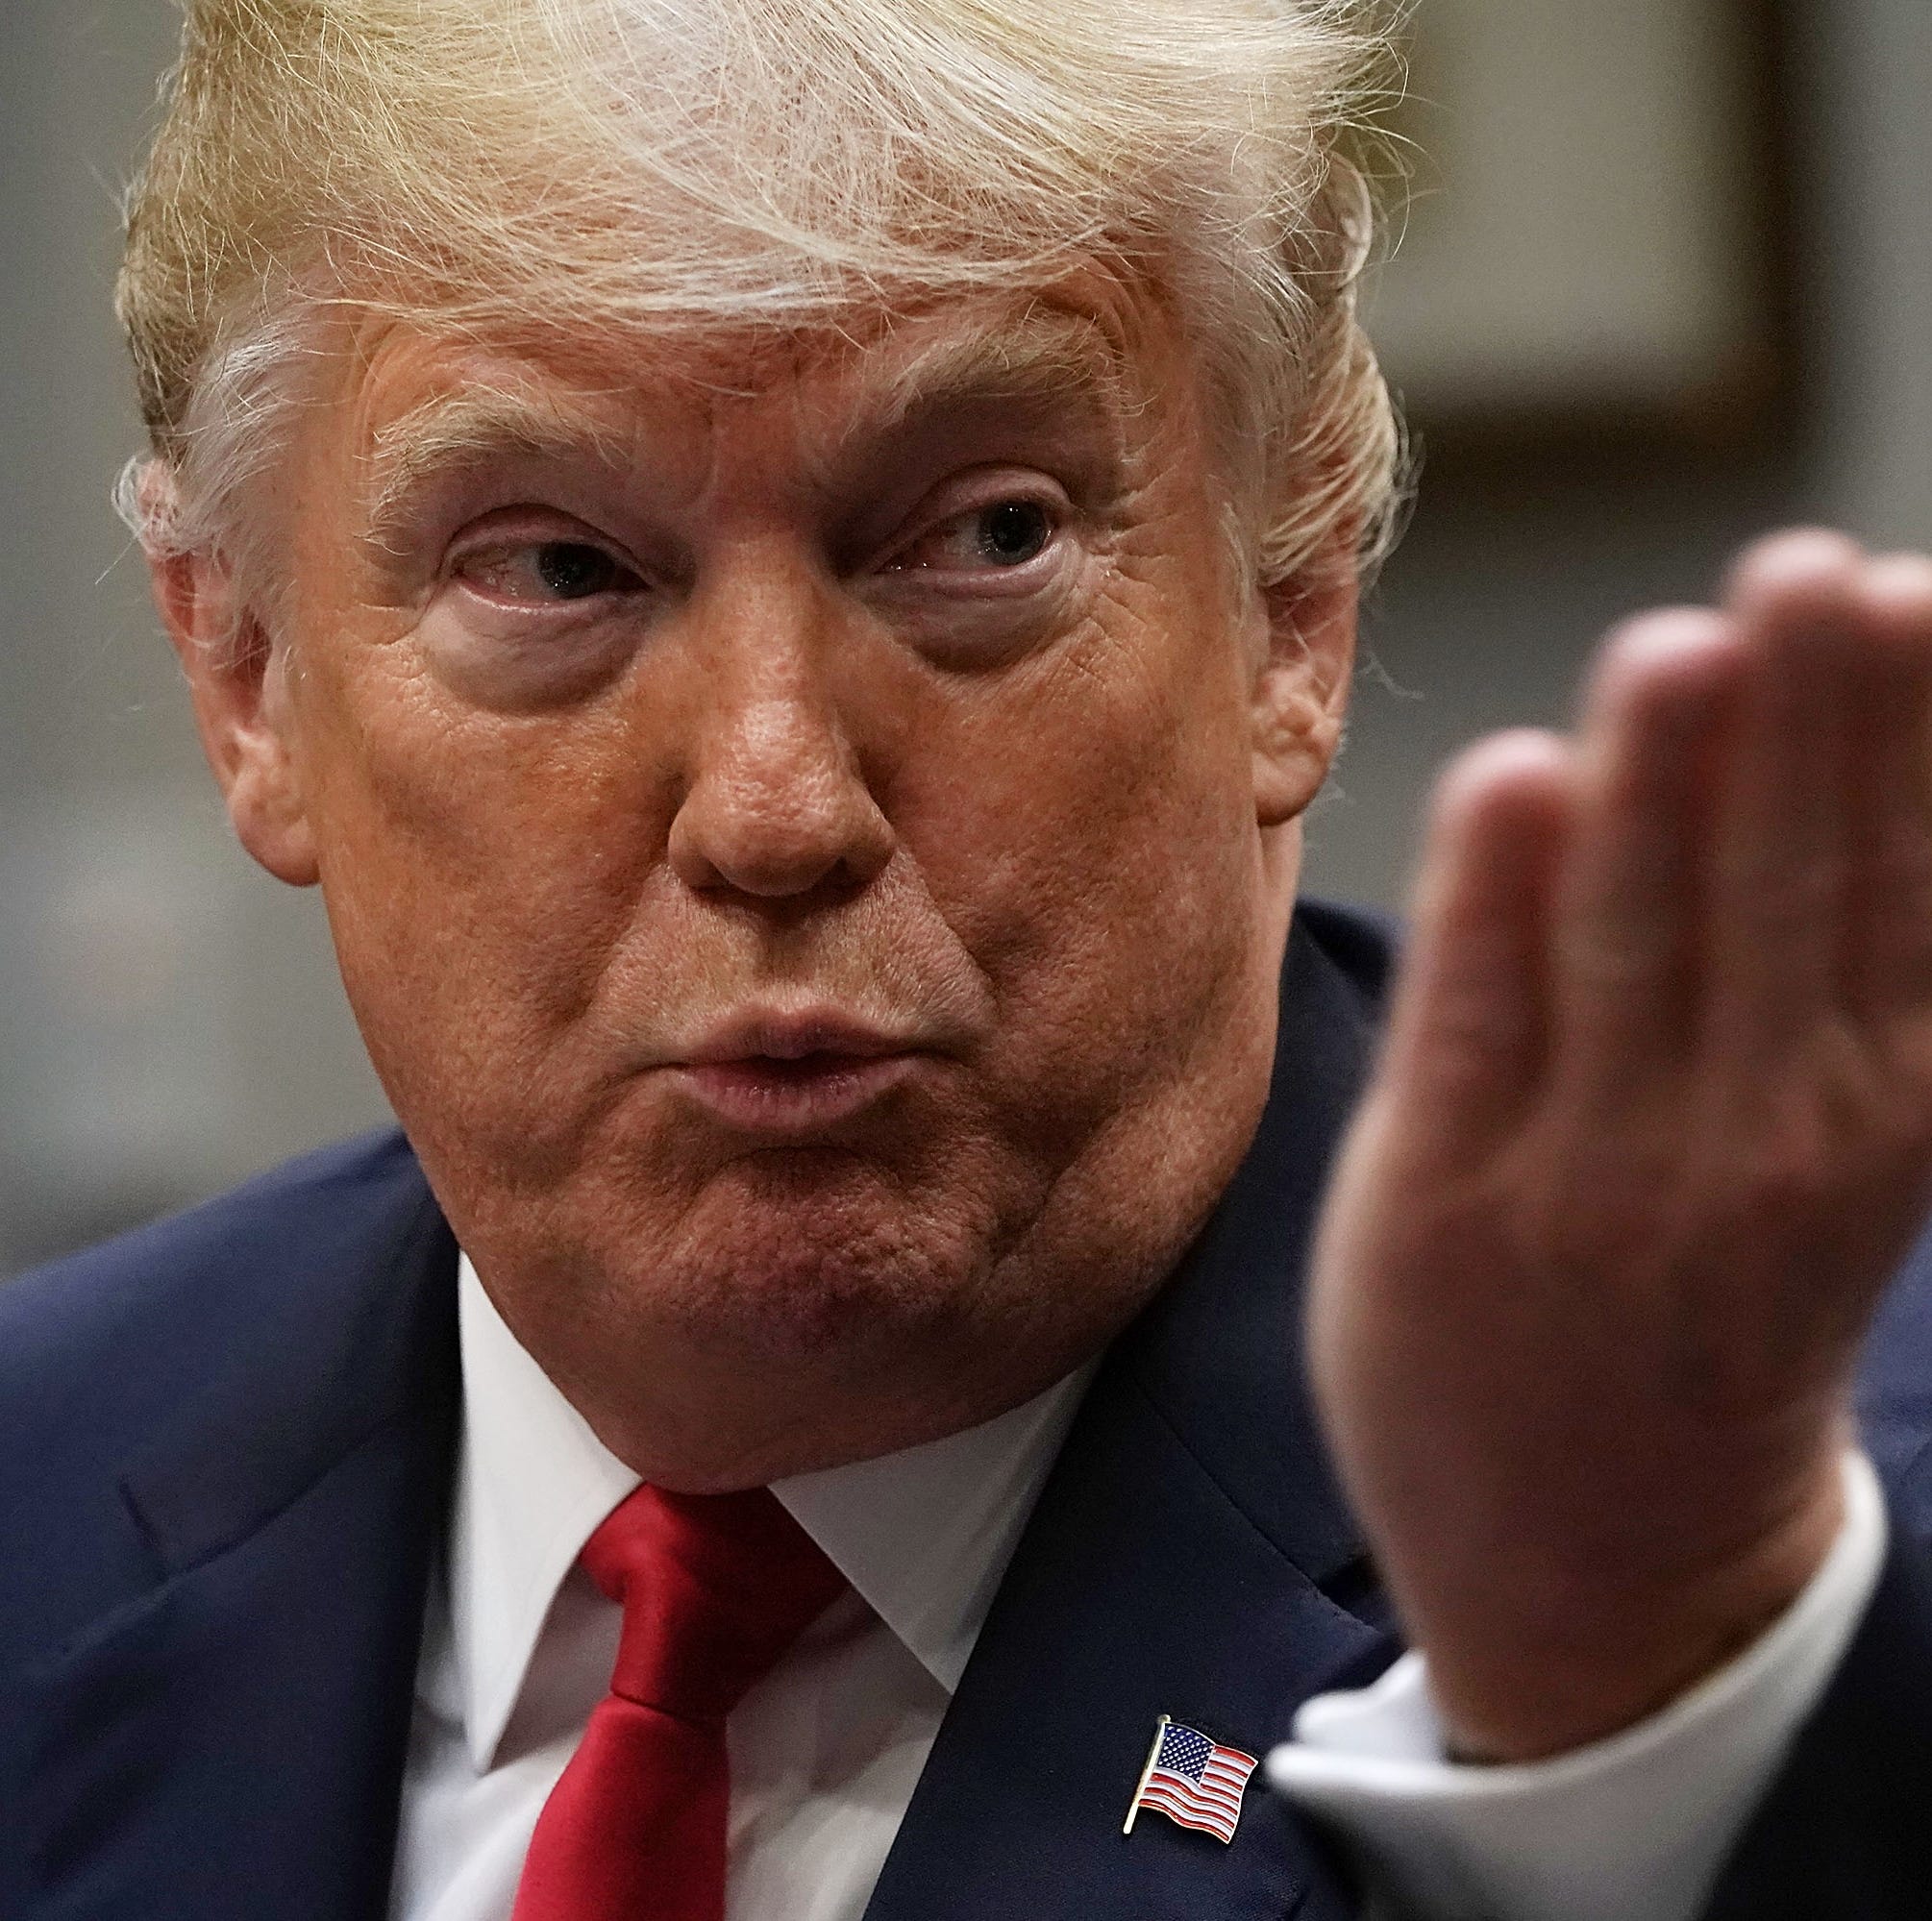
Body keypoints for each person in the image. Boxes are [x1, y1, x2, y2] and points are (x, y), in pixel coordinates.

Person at [4, 1, 1932, 1916]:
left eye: (984, 535)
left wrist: (1632, 1702)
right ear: (246, 677)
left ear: (1294, 599)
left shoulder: (1744, 1537)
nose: (773, 805)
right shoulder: (41, 1497)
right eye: (557, 570)